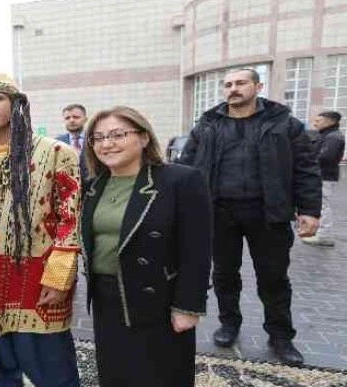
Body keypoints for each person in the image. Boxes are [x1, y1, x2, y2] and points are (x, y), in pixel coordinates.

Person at [179, 68, 322, 365]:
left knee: (273, 278)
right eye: (228, 84)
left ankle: (281, 336)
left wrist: (309, 210)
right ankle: (229, 323)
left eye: (241, 83)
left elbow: (306, 168)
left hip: (268, 214)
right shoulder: (207, 125)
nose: (233, 88)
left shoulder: (285, 124)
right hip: (219, 213)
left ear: (257, 86)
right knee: (224, 273)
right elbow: (186, 167)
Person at [0, 68, 81, 386]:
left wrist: (59, 278)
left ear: (16, 104)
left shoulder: (57, 153)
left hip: (35, 268)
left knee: (49, 364)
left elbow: (71, 219)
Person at [80, 106, 211, 386]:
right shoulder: (91, 187)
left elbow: (197, 250)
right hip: (107, 298)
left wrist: (187, 306)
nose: (107, 143)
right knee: (117, 374)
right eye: (98, 137)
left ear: (143, 138)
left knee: (160, 375)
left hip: (157, 298)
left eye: (117, 134)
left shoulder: (180, 180)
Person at [303, 111, 345, 247]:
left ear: (329, 122)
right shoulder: (327, 135)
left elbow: (325, 157)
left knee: (323, 205)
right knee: (320, 204)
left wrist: (306, 160)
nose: (315, 123)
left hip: (325, 176)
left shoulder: (333, 137)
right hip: (321, 175)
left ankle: (324, 236)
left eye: (318, 120)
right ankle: (319, 233)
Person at [57, 104, 89, 180]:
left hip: (93, 188)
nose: (71, 120)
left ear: (85, 119)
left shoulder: (94, 139)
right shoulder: (57, 142)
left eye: (76, 117)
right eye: (67, 118)